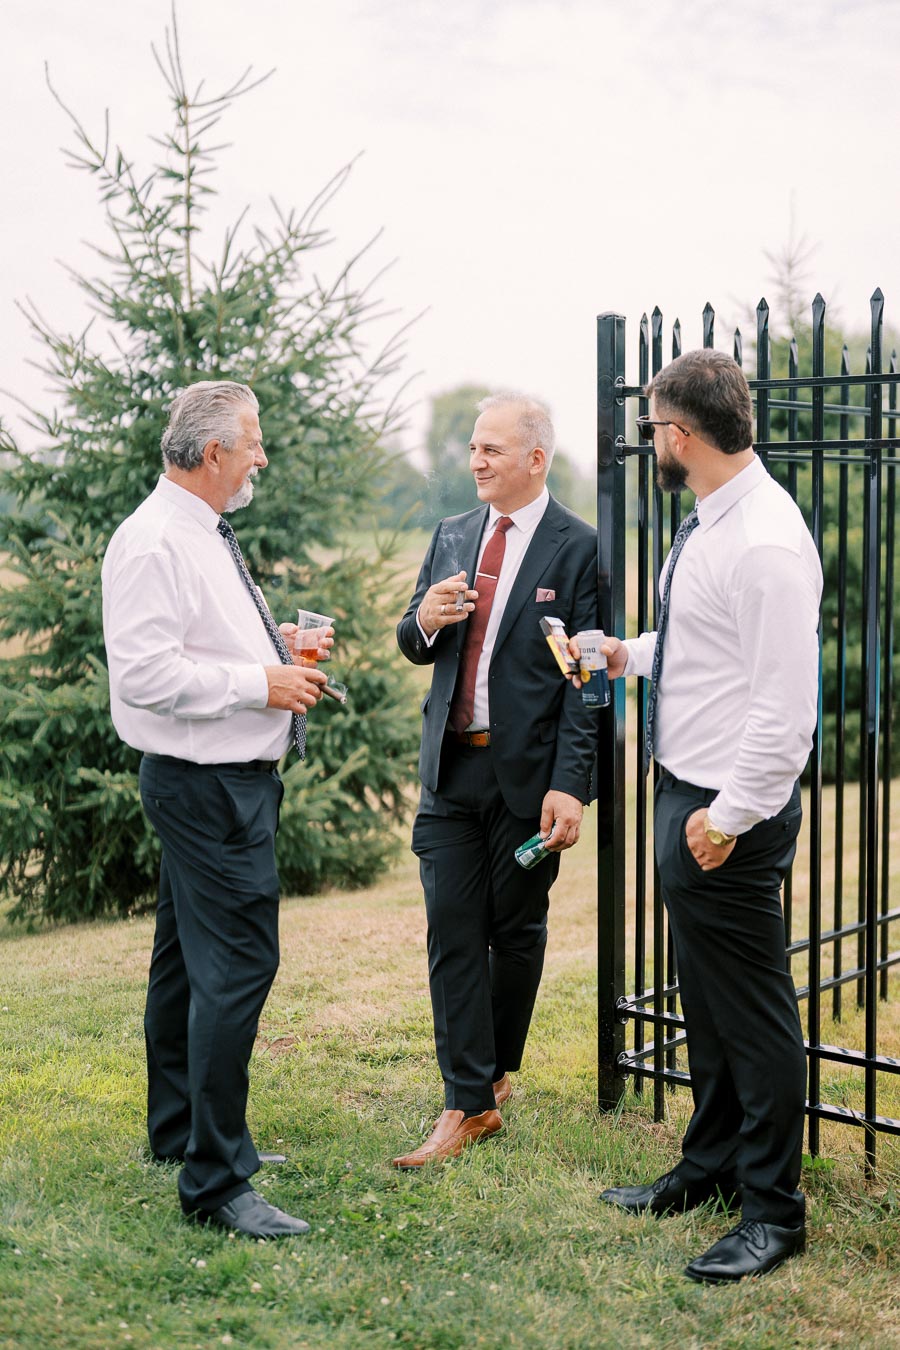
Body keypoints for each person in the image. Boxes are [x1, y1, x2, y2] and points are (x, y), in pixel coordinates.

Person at [596, 349, 822, 1284]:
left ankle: (773, 1213)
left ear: (679, 435)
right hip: (687, 792)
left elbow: (783, 712)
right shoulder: (714, 520)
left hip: (728, 809)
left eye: (652, 428)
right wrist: (628, 654)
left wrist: (725, 817)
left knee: (755, 1014)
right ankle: (712, 1163)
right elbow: (705, 645)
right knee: (709, 1004)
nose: (650, 440)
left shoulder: (764, 540)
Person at [101, 380, 329, 1239]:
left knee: (183, 965)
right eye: (253, 443)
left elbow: (202, 645)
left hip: (221, 782)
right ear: (210, 455)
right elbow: (146, 677)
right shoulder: (155, 542)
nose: (261, 457)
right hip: (208, 788)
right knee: (238, 967)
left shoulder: (199, 534)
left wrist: (279, 660)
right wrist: (261, 681)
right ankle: (215, 1181)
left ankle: (179, 1132)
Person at [393, 392, 598, 1168]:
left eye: (492, 450)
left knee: (514, 933)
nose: (475, 461)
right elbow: (412, 640)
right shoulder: (450, 536)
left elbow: (587, 683)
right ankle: (467, 1102)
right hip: (450, 768)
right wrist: (427, 619)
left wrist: (570, 785)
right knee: (451, 926)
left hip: (529, 778)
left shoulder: (580, 549)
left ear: (535, 460)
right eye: (473, 449)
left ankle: (494, 1071)